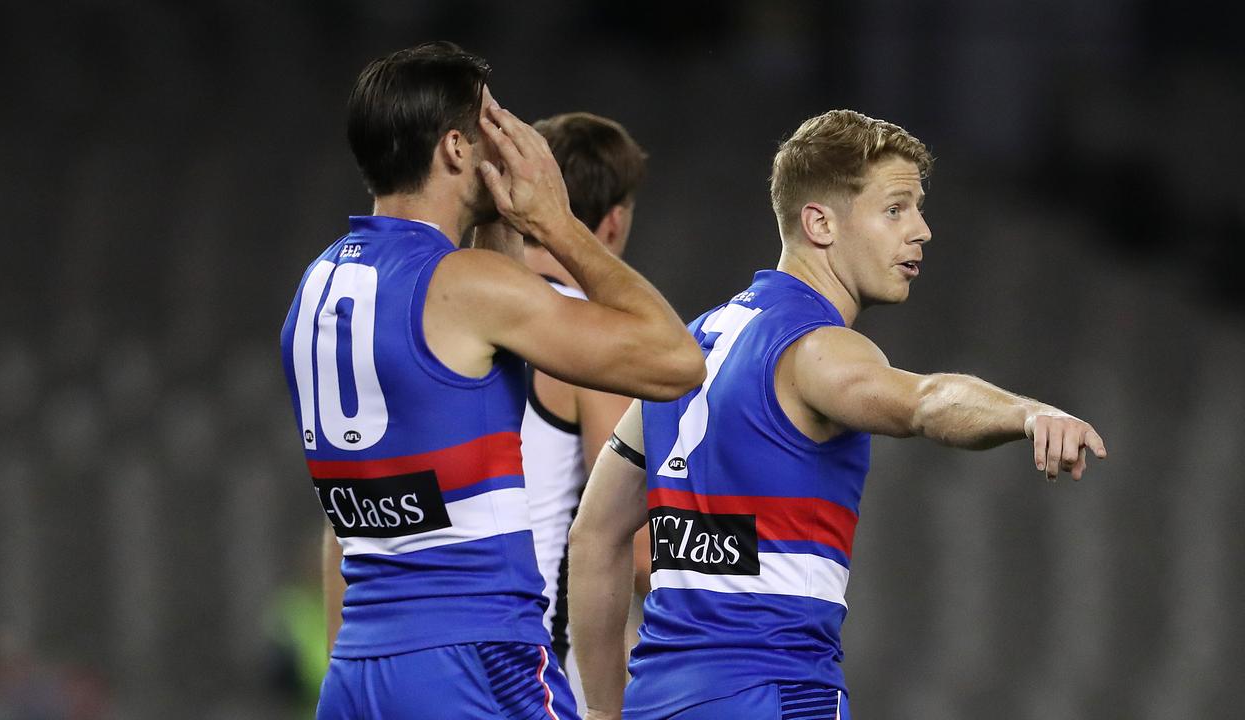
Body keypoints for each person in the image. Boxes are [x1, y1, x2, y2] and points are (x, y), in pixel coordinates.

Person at [567, 109, 1108, 720]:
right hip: (778, 695)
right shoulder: (815, 348)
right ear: (820, 223)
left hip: (659, 702)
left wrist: (604, 712)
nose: (923, 230)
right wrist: (1028, 414)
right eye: (896, 208)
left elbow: (593, 536)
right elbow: (926, 402)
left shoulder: (687, 347)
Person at [280, 42, 705, 720]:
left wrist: (502, 226)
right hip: (474, 661)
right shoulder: (465, 288)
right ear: (455, 148)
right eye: (493, 127)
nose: (510, 145)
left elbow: (348, 521)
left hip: (360, 668)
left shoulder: (318, 286)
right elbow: (677, 360)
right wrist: (556, 222)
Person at [517, 112, 649, 710]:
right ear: (614, 224)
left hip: (422, 662)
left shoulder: (446, 313)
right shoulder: (585, 344)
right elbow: (635, 548)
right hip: (531, 673)